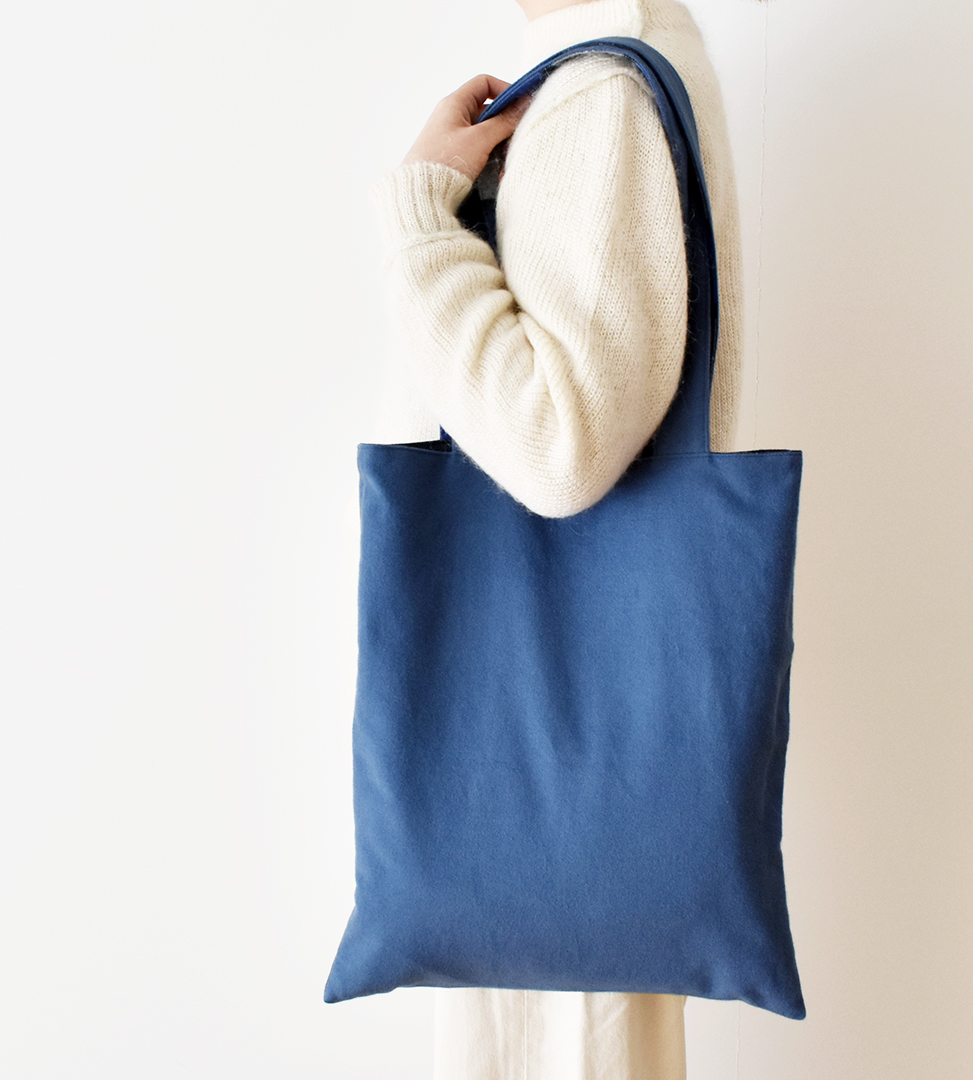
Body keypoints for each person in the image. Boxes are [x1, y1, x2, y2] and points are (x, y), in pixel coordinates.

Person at [368, 0, 745, 1075]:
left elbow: (558, 444)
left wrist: (422, 218)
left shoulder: (602, 98)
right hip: (571, 786)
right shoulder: (612, 73)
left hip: (548, 793)